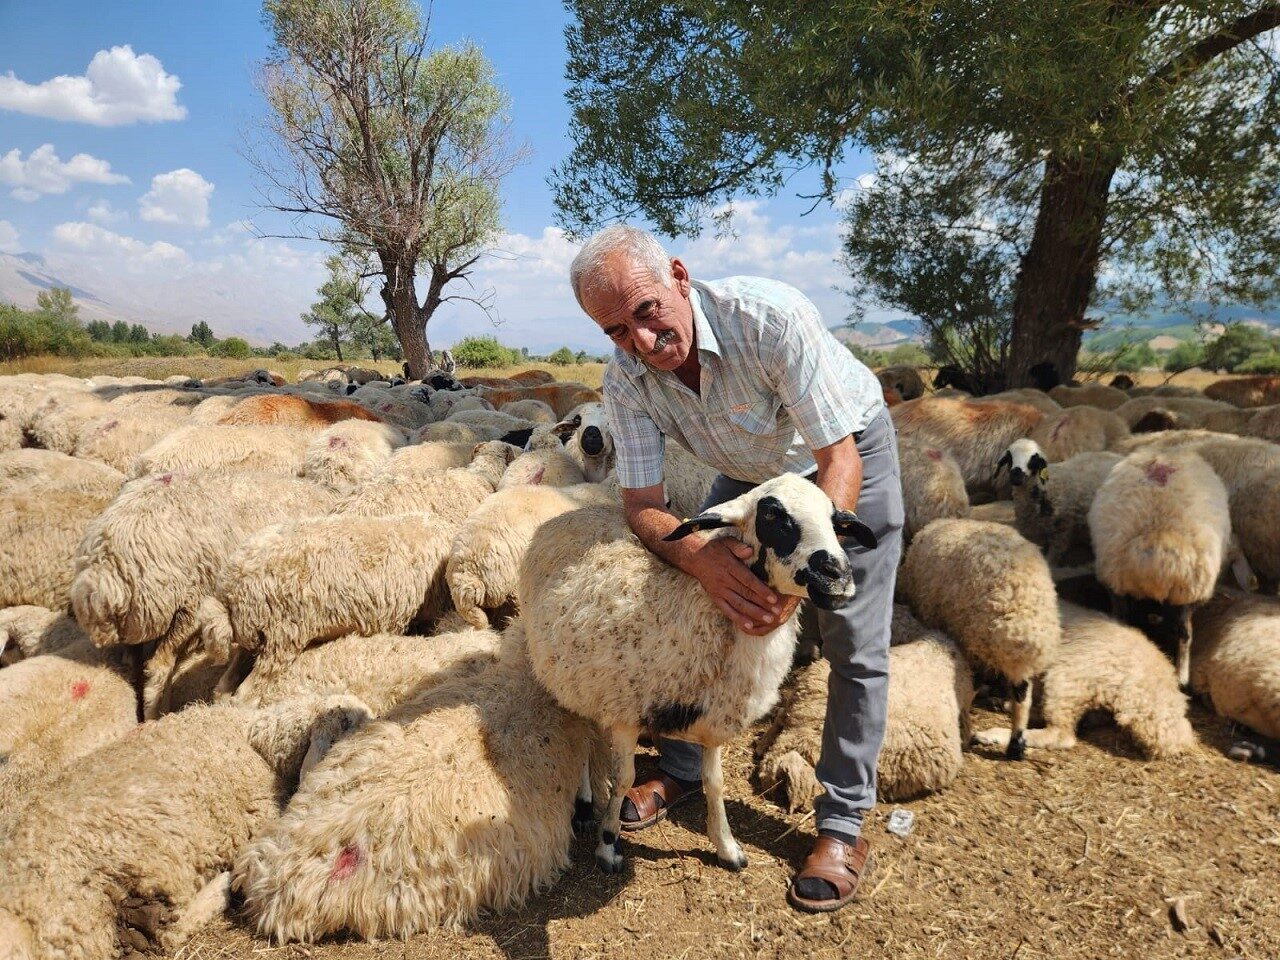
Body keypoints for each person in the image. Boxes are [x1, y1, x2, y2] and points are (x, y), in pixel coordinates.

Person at [568, 224, 904, 913]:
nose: (639, 340)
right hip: (750, 473)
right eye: (615, 331)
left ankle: (841, 826)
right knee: (708, 606)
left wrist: (801, 573)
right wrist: (700, 557)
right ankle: (686, 767)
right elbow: (641, 505)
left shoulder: (768, 319)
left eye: (647, 310)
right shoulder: (627, 380)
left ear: (681, 279)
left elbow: (838, 460)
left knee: (853, 642)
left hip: (840, 453)